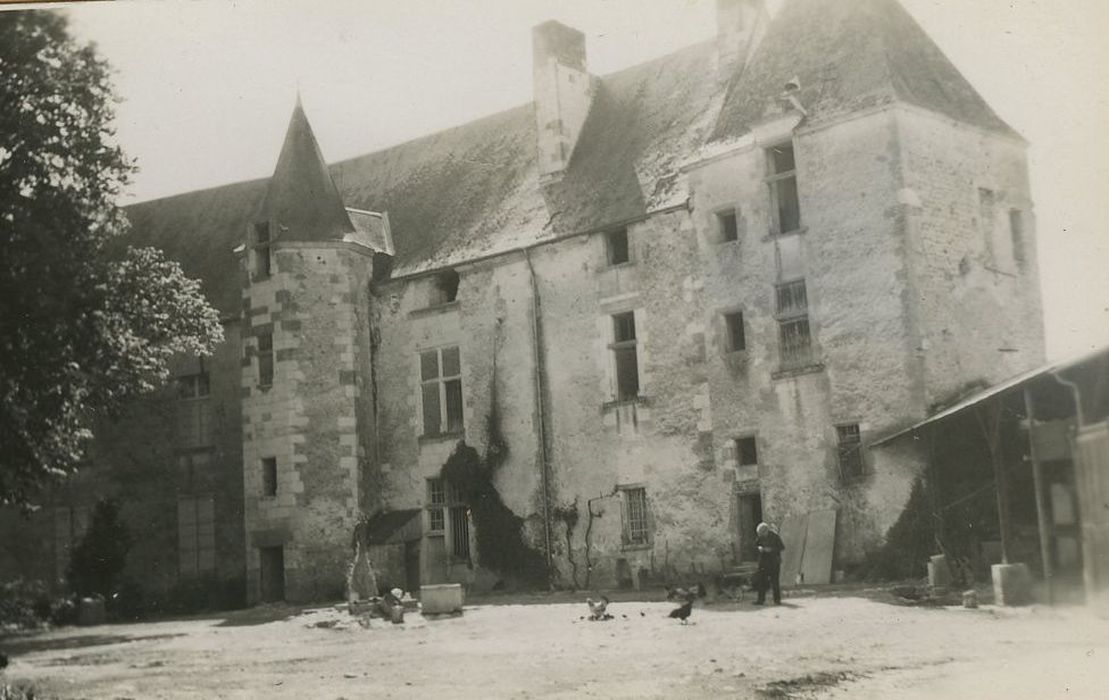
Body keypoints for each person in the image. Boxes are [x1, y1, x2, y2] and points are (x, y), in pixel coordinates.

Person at [754, 521, 784, 605]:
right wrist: (759, 548)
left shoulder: (775, 537)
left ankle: (777, 600)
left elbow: (781, 547)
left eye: (761, 533)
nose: (760, 535)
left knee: (775, 582)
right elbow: (755, 545)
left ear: (766, 531)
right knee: (761, 581)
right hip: (763, 562)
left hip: (774, 562)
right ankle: (760, 600)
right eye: (759, 534)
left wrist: (770, 550)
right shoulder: (760, 537)